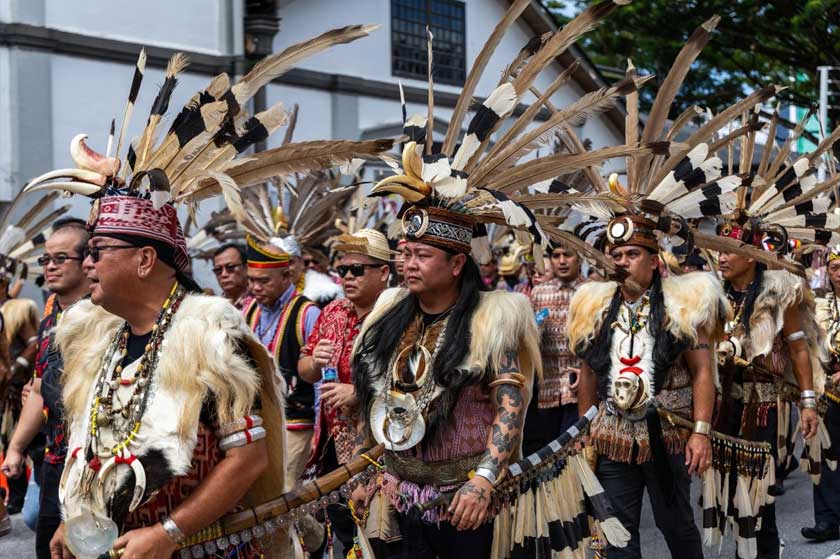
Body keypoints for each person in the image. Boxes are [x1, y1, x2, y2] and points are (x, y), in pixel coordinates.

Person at [570, 214, 724, 559]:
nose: (622, 262)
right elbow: (589, 373)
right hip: (612, 435)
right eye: (617, 255)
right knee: (617, 530)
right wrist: (583, 428)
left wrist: (701, 432)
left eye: (632, 254)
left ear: (654, 262)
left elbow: (702, 371)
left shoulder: (684, 306)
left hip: (667, 433)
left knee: (676, 523)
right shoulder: (594, 306)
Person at [715, 224, 820, 559]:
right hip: (724, 407)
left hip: (763, 407)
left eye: (728, 250)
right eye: (718, 250)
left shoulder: (777, 293)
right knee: (730, 494)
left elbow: (799, 348)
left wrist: (808, 404)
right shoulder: (714, 295)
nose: (721, 257)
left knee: (760, 496)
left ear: (750, 256)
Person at [298, 228, 397, 555]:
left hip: (381, 445)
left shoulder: (397, 315)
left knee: (381, 533)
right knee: (340, 528)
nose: (347, 277)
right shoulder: (333, 311)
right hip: (329, 442)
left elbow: (413, 379)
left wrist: (358, 392)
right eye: (342, 271)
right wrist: (315, 361)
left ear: (384, 273)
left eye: (357, 270)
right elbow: (304, 369)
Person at [1, 218, 91, 558]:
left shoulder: (108, 315)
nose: (50, 266)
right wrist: (15, 448)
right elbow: (40, 387)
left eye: (60, 258)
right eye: (46, 259)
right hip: (53, 462)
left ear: (88, 261)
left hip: (93, 467)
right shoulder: (52, 316)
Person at [243, 235, 321, 489]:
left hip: (296, 426)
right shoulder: (248, 312)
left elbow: (323, 377)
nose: (255, 288)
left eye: (263, 281)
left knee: (283, 494)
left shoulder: (308, 314)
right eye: (252, 281)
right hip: (260, 425)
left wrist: (320, 431)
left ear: (287, 276)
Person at [523, 243, 584, 455]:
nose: (561, 261)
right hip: (546, 388)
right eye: (556, 256)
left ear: (580, 258)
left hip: (580, 389)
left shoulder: (591, 292)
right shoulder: (539, 294)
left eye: (567, 254)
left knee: (574, 453)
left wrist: (588, 373)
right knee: (549, 456)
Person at [803, 245, 840, 542]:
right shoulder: (819, 305)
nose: (839, 274)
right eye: (835, 268)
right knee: (825, 455)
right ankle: (826, 520)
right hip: (828, 391)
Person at [211, 243, 249, 309]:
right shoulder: (214, 308)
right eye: (218, 270)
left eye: (230, 267)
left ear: (246, 268)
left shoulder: (261, 304)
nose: (224, 274)